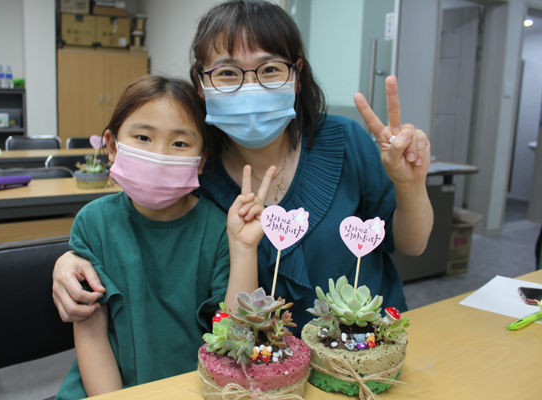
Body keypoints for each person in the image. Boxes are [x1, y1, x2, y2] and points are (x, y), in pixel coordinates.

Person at [52, 0, 434, 336]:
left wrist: (410, 184)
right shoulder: (192, 172)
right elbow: (142, 236)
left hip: (365, 351)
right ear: (201, 84)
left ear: (296, 75)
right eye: (228, 73)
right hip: (258, 369)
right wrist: (70, 259)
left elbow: (413, 245)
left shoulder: (345, 141)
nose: (251, 86)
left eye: (270, 69)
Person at [55, 75, 275, 398]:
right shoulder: (93, 223)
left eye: (180, 144)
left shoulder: (217, 229)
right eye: (143, 137)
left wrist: (243, 249)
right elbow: (91, 336)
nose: (159, 155)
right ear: (113, 146)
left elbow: (235, 337)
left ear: (201, 160)